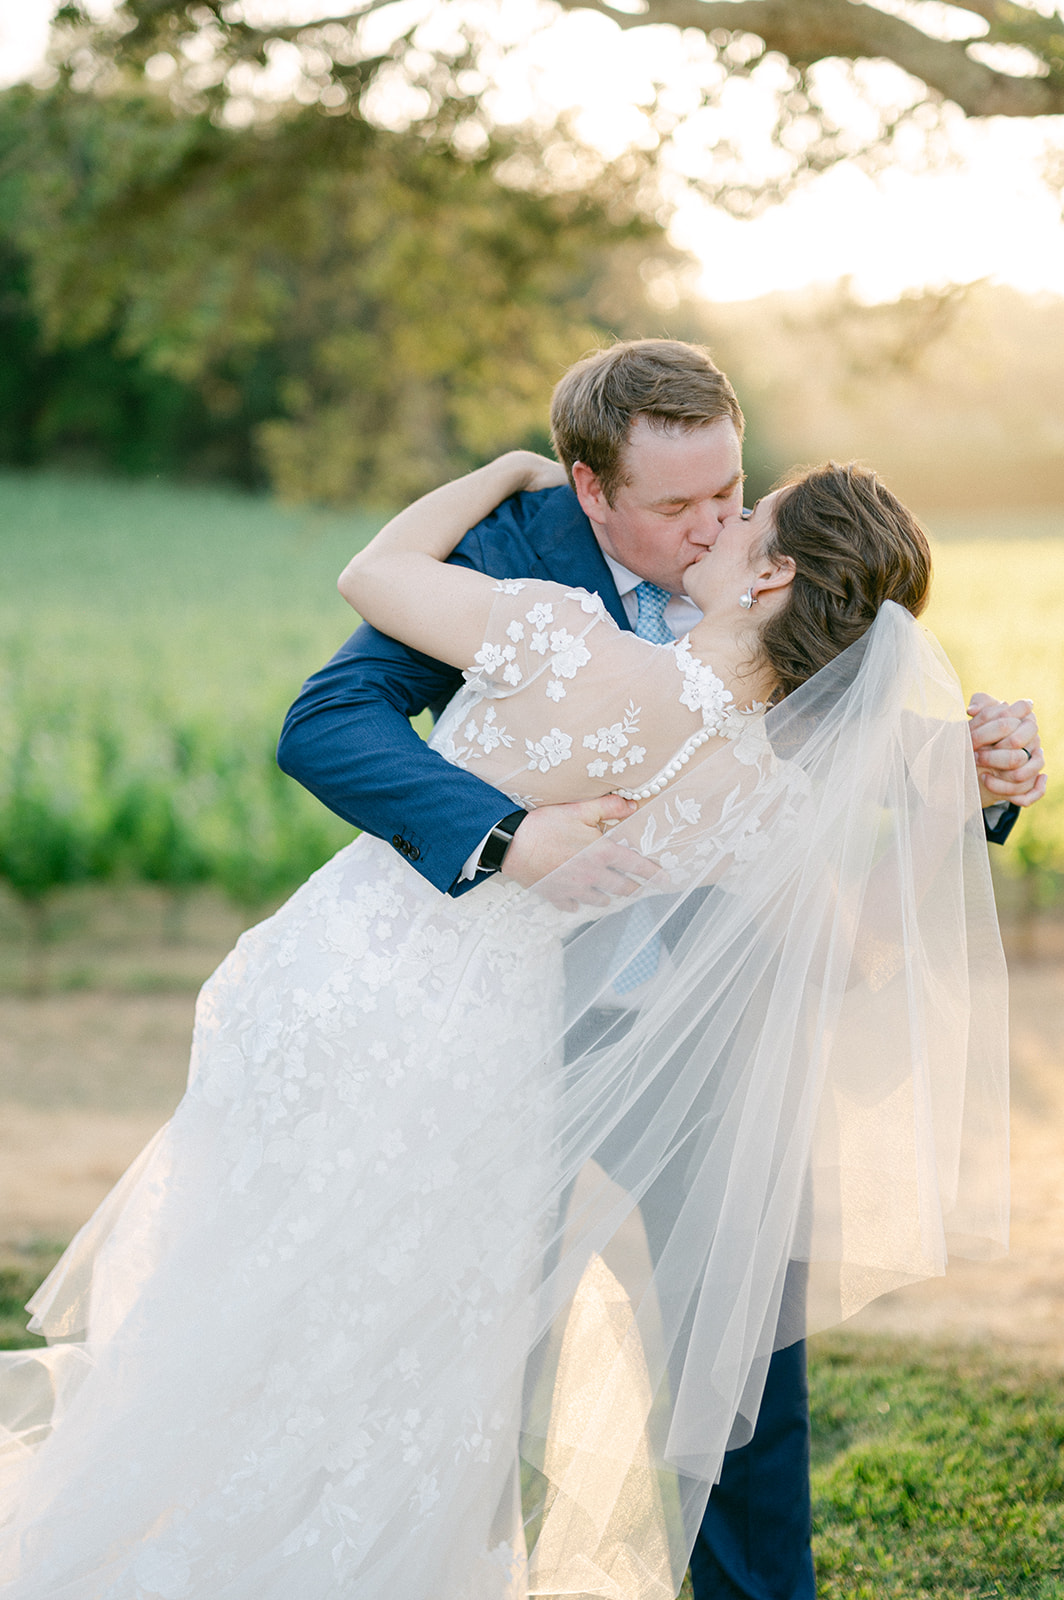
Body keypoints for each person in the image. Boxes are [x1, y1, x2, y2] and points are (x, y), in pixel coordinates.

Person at [0, 441, 1014, 1598]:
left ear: (771, 576)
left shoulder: (561, 639)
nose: (712, 528)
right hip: (498, 1055)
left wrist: (491, 473)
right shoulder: (755, 795)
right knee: (407, 1333)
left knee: (276, 1284)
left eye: (742, 521)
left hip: (351, 987)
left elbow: (373, 574)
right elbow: (865, 949)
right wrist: (951, 810)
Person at [276, 341, 1045, 1600]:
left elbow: (824, 721)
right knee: (462, 1341)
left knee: (739, 1350)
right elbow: (331, 720)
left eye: (731, 494)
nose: (713, 528)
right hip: (487, 1021)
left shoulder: (754, 574)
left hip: (704, 1027)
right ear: (589, 490)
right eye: (676, 507)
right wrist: (511, 839)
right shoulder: (522, 565)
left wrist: (976, 772)